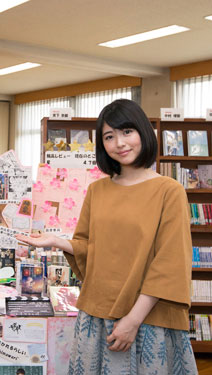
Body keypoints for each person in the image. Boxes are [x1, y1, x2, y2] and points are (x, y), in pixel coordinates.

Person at [17, 99, 197, 373]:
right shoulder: (97, 190)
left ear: (143, 133)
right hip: (98, 315)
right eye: (109, 137)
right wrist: (56, 242)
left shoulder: (169, 191)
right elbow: (91, 248)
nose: (120, 143)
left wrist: (133, 320)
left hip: (149, 320)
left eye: (127, 132)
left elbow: (170, 263)